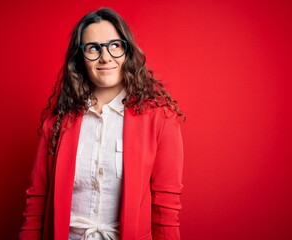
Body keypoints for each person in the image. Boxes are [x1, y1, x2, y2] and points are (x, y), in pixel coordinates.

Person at [19, 8, 185, 240]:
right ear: (80, 58)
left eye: (114, 45)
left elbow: (165, 210)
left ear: (127, 51)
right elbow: (37, 200)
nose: (105, 57)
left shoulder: (161, 119)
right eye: (93, 48)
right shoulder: (57, 122)